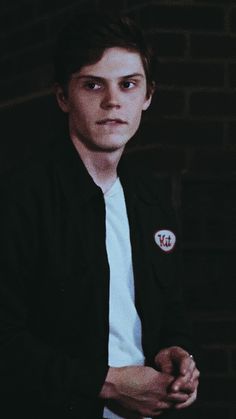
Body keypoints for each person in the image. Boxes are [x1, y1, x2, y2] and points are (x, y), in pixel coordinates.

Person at [0, 12, 199, 419]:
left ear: (147, 96)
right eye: (93, 84)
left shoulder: (151, 197)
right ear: (62, 96)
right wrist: (104, 384)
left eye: (128, 84)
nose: (113, 101)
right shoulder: (21, 197)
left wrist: (172, 352)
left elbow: (169, 308)